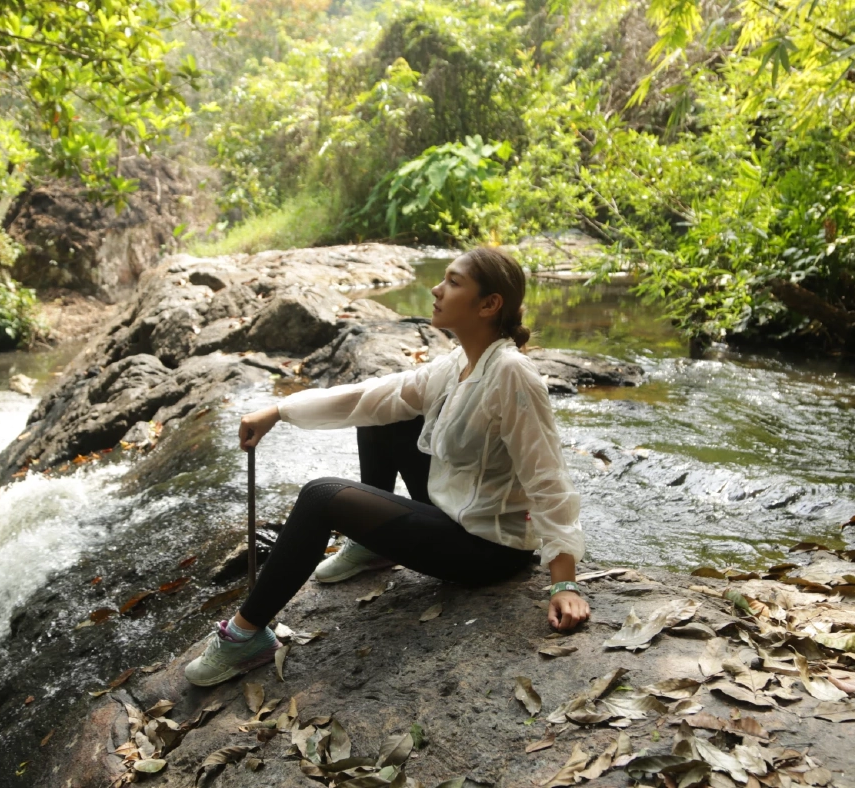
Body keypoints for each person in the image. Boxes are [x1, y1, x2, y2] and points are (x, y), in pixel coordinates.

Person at [184, 246, 591, 687]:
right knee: (385, 411)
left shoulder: (512, 374)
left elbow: (547, 478)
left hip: (487, 549)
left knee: (321, 496)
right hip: (451, 509)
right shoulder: (460, 363)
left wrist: (562, 584)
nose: (436, 289)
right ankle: (373, 546)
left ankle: (246, 638)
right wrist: (279, 411)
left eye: (453, 283)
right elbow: (373, 396)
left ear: (489, 304)